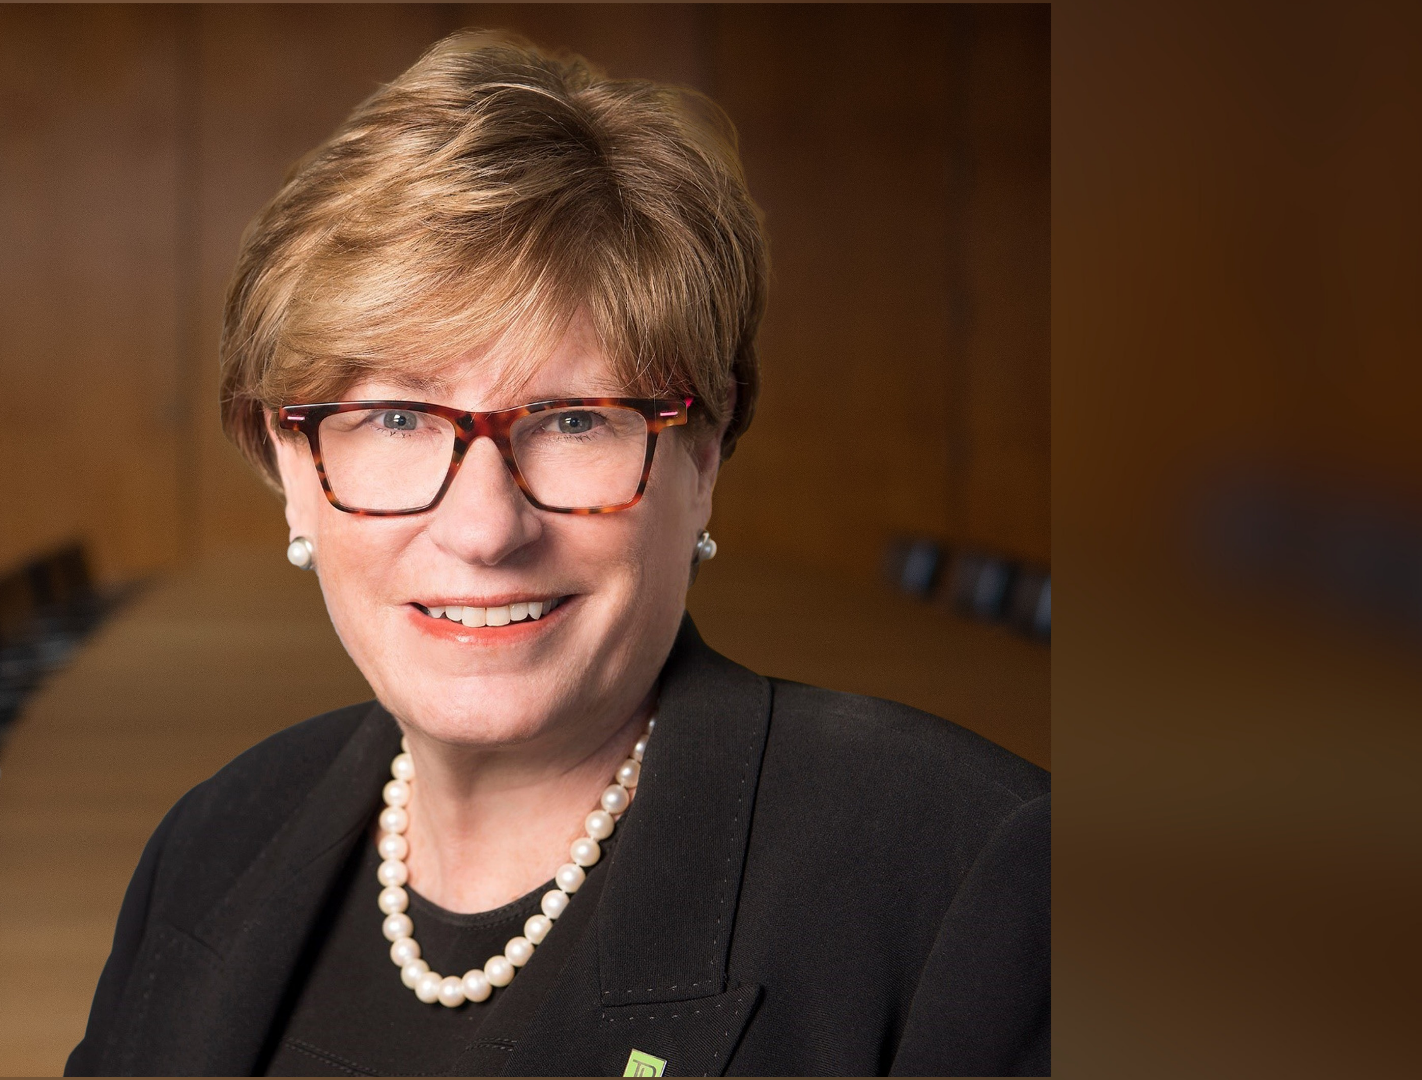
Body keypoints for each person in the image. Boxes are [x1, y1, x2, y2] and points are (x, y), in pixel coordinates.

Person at [66, 30, 1047, 1078]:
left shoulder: (970, 884)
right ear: (294, 472)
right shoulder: (210, 847)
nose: (486, 529)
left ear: (702, 458)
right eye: (397, 419)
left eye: (575, 420)